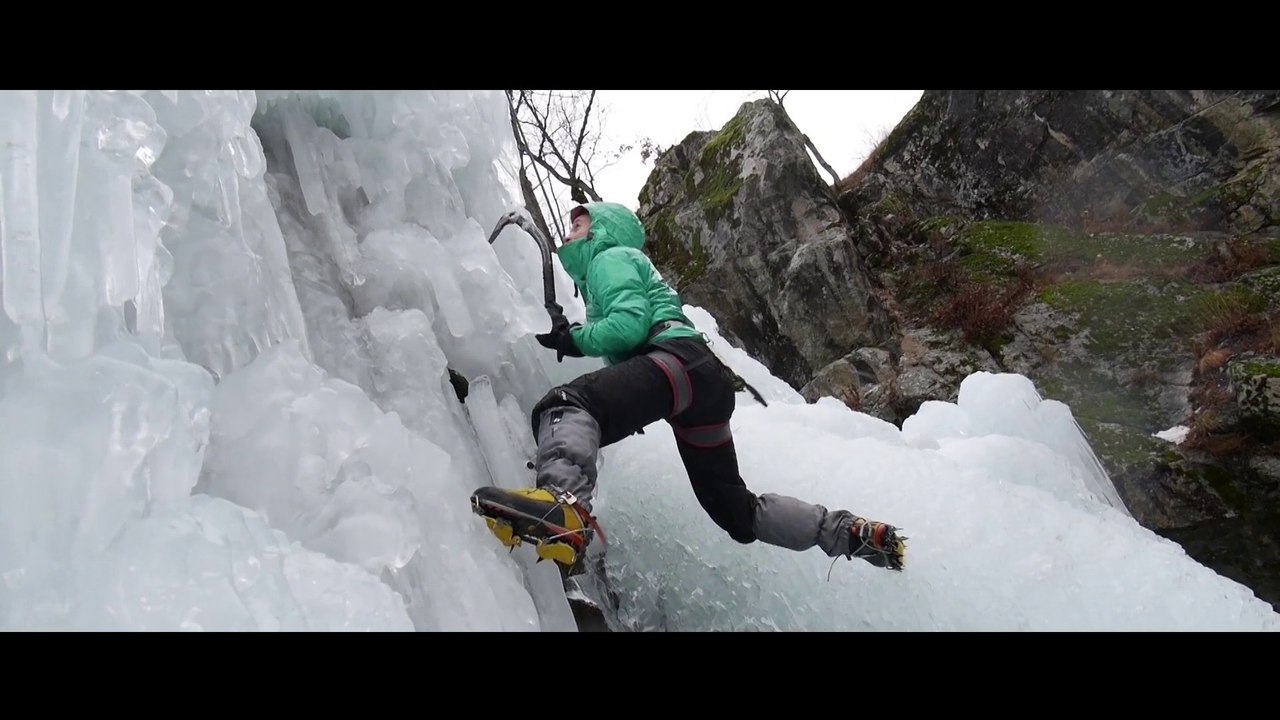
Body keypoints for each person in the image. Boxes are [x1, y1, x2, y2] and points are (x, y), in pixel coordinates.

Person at [470, 202, 905, 577]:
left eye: (578, 224)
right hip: (701, 385)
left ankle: (563, 502)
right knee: (738, 513)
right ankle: (847, 533)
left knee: (566, 402)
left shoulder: (609, 258)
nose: (570, 233)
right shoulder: (625, 264)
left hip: (676, 365)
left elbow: (628, 325)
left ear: (599, 230)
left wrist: (574, 337)